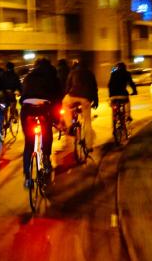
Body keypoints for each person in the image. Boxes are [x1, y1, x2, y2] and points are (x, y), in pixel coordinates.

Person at [20, 58, 61, 188]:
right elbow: (57, 98)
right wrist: (56, 120)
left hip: (27, 108)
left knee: (29, 143)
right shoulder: (52, 76)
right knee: (47, 133)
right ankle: (46, 159)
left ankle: (27, 178)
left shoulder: (28, 76)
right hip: (43, 107)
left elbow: (23, 95)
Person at [62, 61, 99, 152]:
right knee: (87, 122)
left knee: (64, 104)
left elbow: (67, 87)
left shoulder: (73, 72)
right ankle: (89, 146)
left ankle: (70, 125)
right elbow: (94, 88)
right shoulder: (90, 73)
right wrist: (95, 100)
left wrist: (66, 94)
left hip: (73, 96)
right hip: (86, 99)